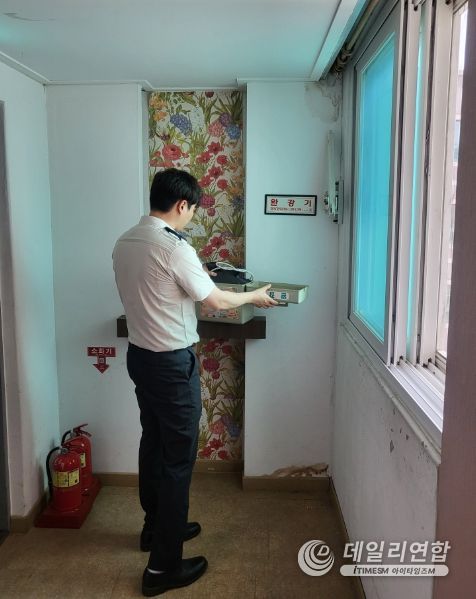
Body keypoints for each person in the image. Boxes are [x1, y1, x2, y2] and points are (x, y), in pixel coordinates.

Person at [112, 168, 277, 597]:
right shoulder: (174, 247)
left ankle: (155, 528)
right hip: (171, 365)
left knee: (154, 443)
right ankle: (162, 568)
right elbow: (216, 301)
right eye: (192, 210)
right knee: (177, 460)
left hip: (140, 358)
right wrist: (254, 296)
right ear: (182, 204)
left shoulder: (125, 241)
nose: (191, 218)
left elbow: (152, 291)